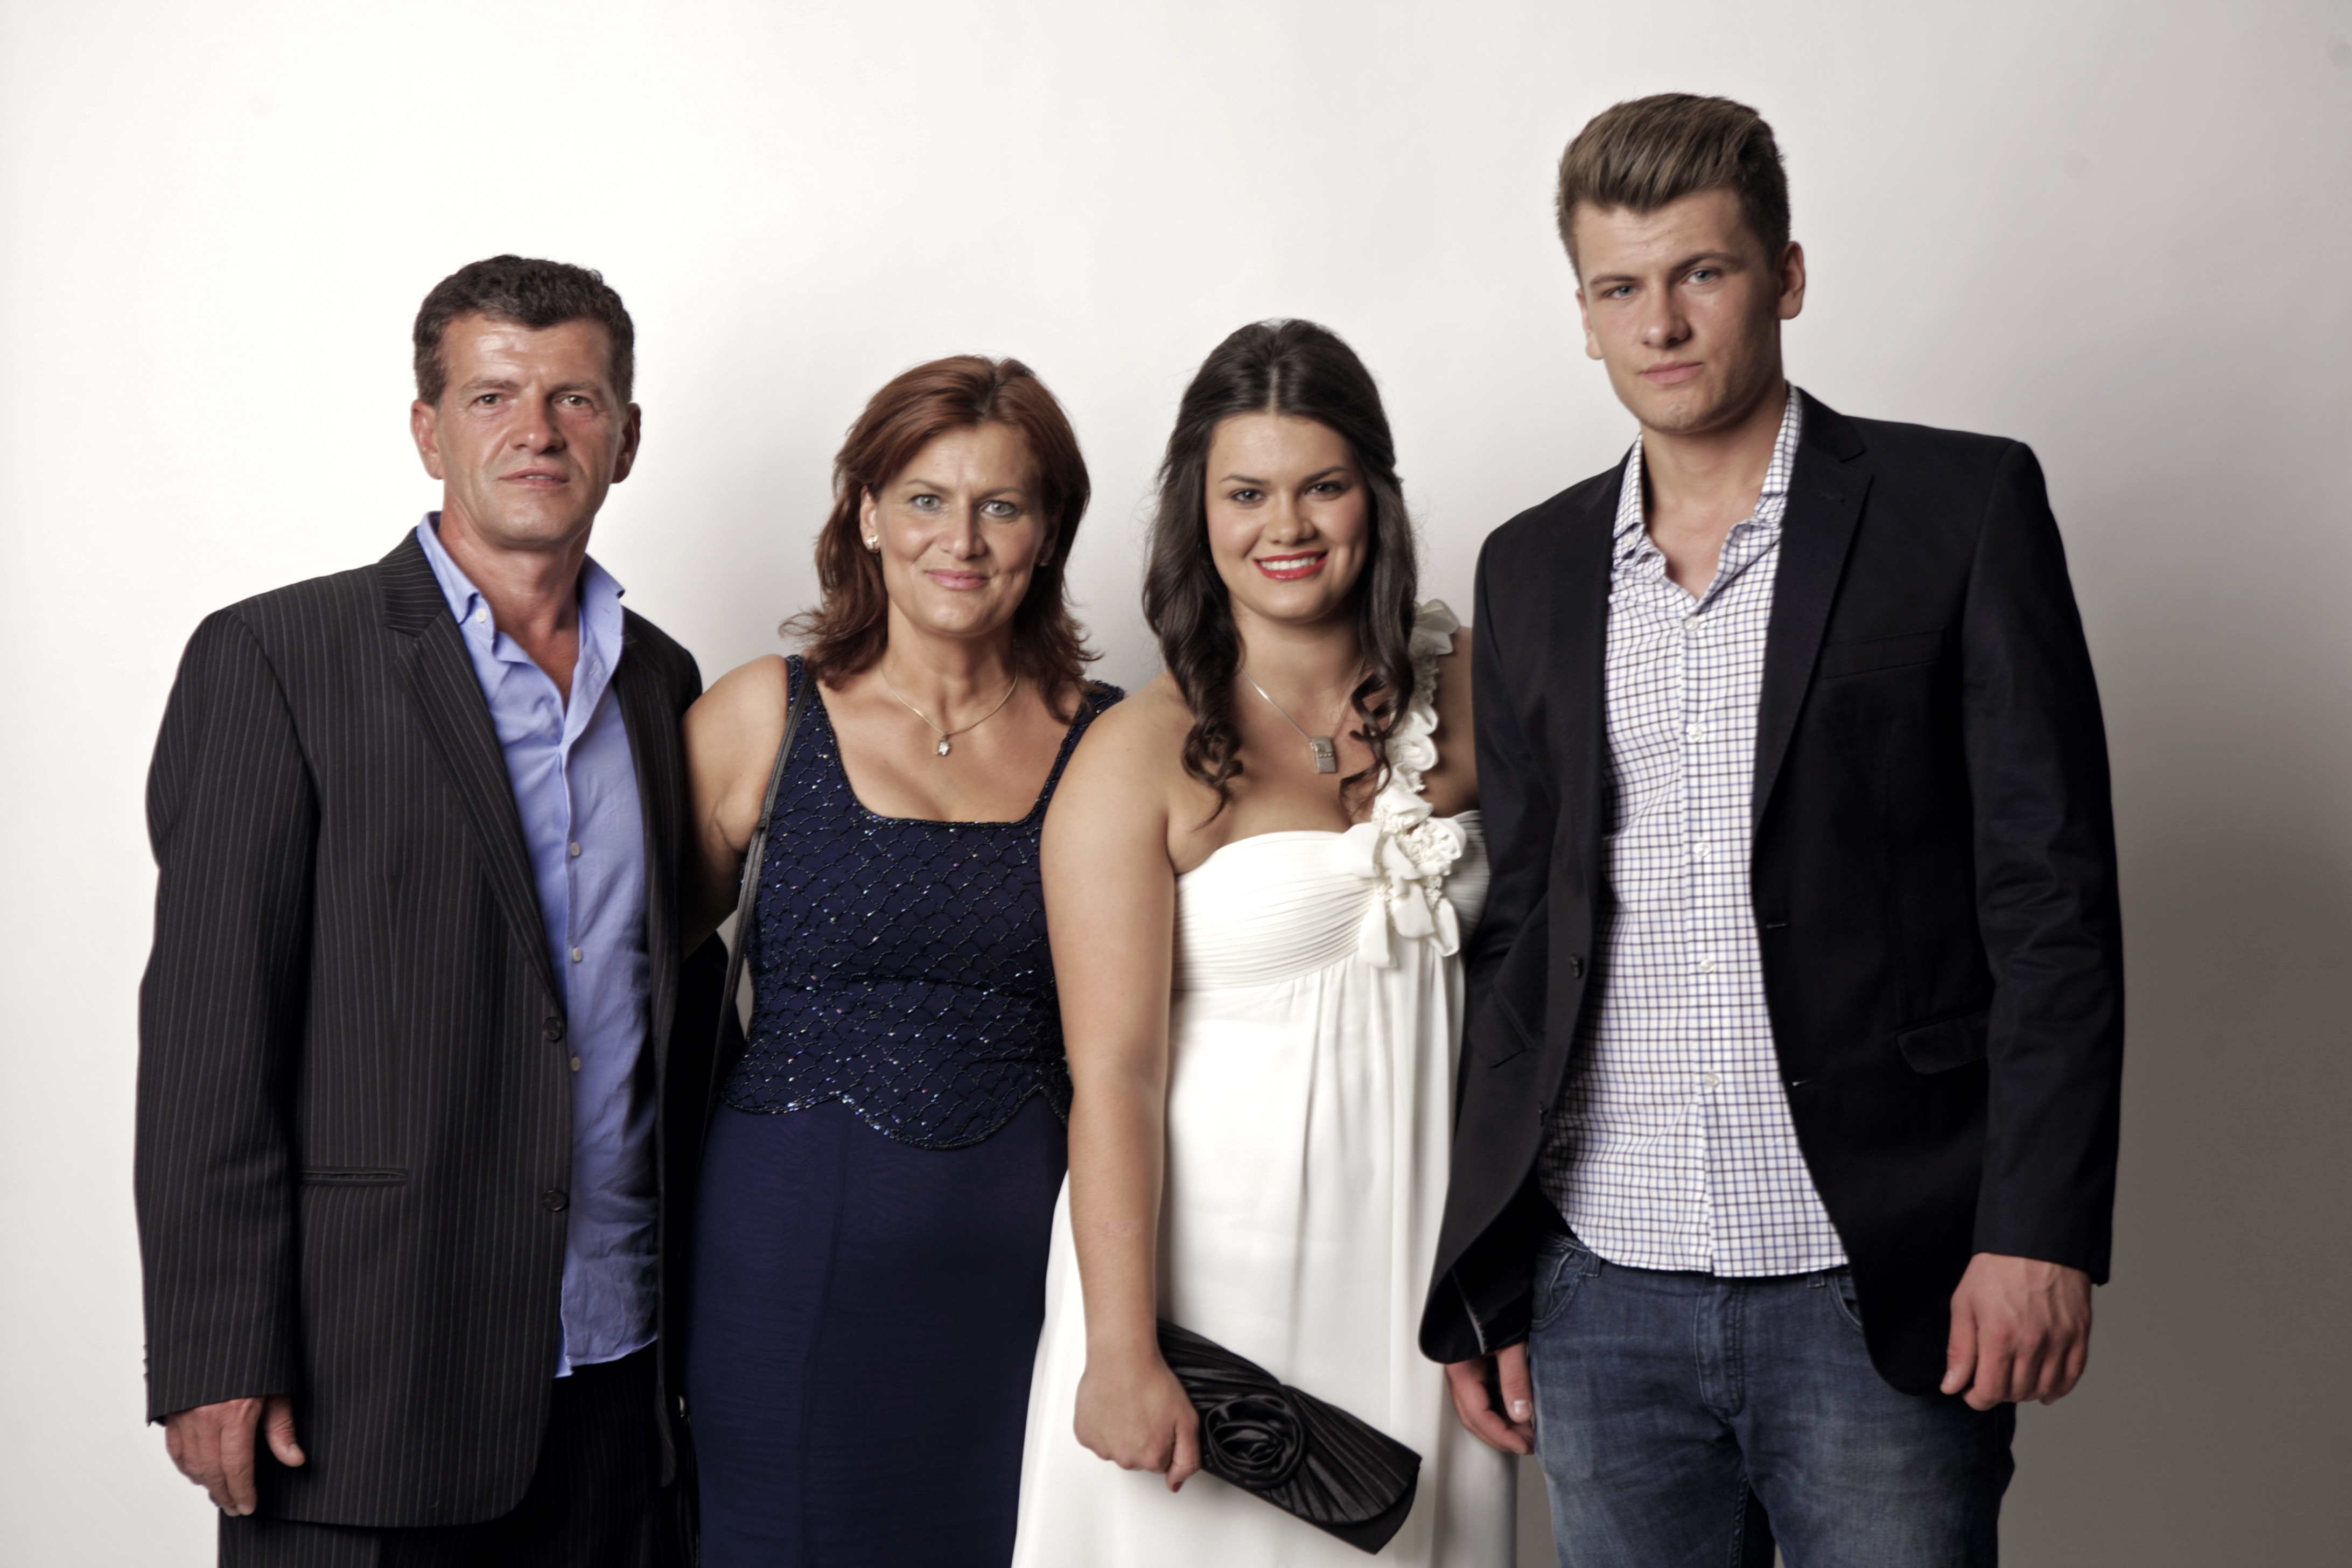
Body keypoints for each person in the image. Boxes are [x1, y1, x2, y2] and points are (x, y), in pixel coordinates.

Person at [1428, 95, 2127, 1566]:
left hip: (1877, 1273)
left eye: (1703, 272)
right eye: (1621, 287)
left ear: (1786, 277)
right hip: (1601, 1285)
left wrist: (2038, 1227)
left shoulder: (1960, 508)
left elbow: (2050, 899)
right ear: (1584, 315)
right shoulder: (1532, 565)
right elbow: (1525, 929)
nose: (1662, 323)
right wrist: (1488, 1269)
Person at [137, 256, 717, 1566]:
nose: (537, 431)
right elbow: (209, 1033)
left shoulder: (665, 684)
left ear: (626, 438)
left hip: (621, 1377)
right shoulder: (278, 659)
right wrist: (217, 1346)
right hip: (368, 1379)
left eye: (576, 399)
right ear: (428, 429)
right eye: (493, 395)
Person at [1014, 320, 1514, 1566]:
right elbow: (1112, 1075)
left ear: (1375, 496)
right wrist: (1120, 1348)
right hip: (1208, 1285)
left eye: (1321, 485)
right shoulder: (1137, 754)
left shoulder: (1482, 694)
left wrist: (1514, 1276)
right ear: (1198, 508)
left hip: (1425, 1267)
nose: (1285, 525)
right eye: (1246, 492)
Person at [680, 355, 1120, 1567]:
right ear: (867, 515)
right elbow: (618, 976)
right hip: (781, 1255)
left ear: (1049, 531)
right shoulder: (763, 715)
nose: (960, 540)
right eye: (926, 499)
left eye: (1001, 505)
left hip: (1029, 1271)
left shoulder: (1113, 740)